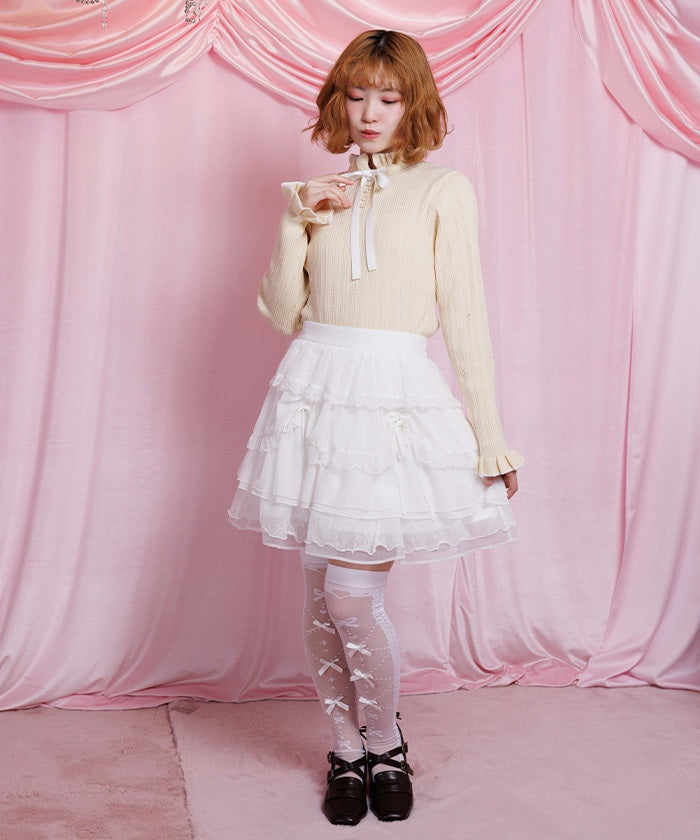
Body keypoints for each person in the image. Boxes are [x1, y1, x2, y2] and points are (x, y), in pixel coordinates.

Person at [227, 29, 524, 826]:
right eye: (356, 95)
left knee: (352, 595)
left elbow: (466, 314)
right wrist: (297, 221)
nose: (368, 112)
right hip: (314, 391)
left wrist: (490, 437)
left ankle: (385, 740)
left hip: (390, 397)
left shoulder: (442, 189)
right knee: (321, 596)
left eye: (387, 98)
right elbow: (282, 312)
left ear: (413, 103)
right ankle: (345, 752)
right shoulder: (318, 191)